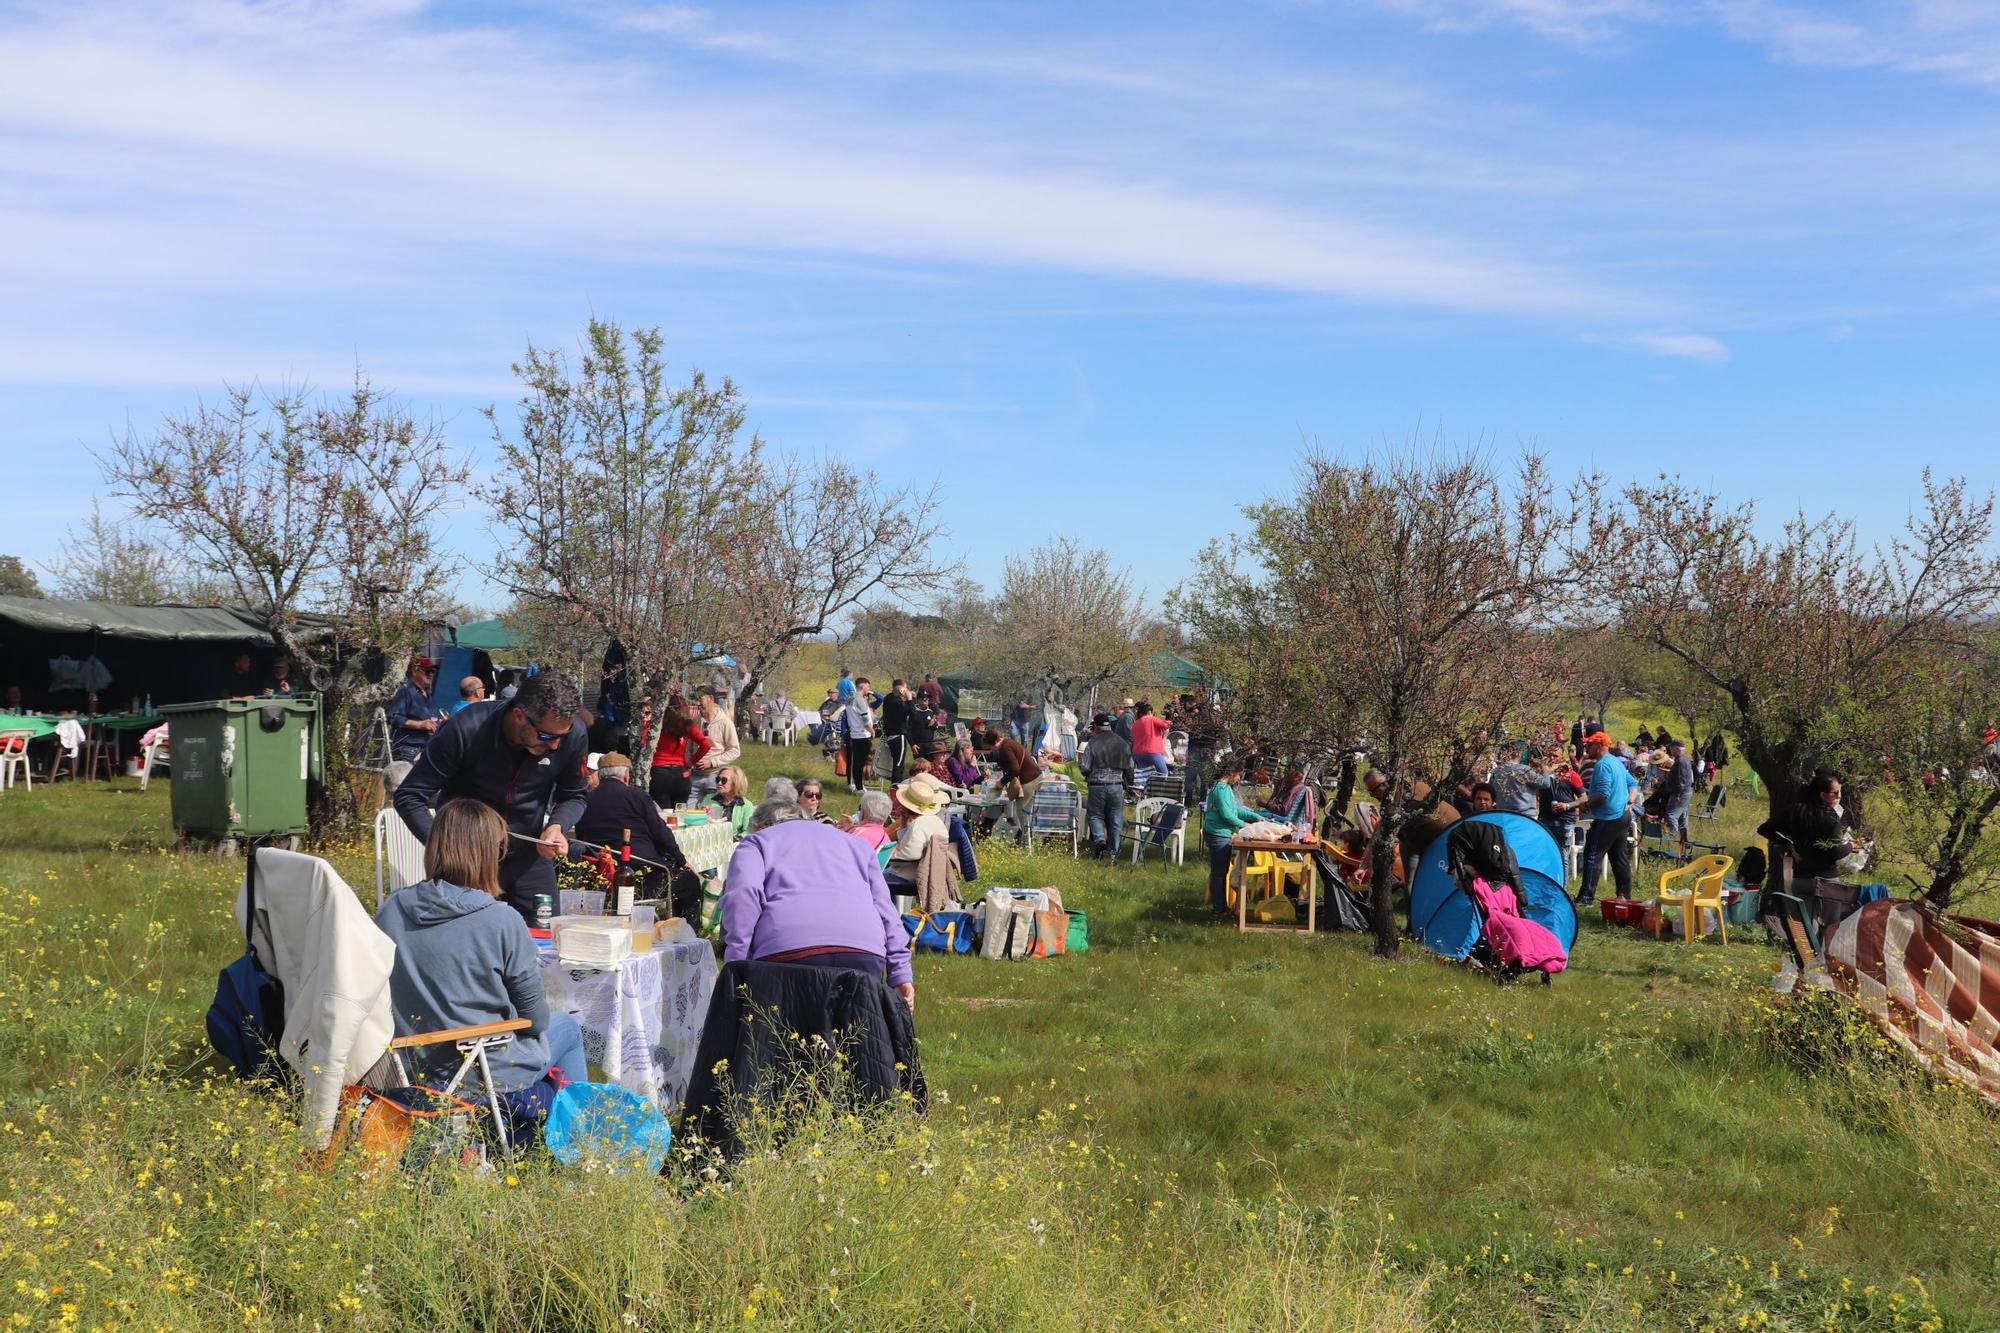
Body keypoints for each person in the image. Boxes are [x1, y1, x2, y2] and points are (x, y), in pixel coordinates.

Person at [375, 799, 587, 1090]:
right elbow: (535, 1020)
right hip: (480, 1068)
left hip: (410, 1064)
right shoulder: (501, 920)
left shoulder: (392, 907)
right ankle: (583, 1130)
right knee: (568, 1027)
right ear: (489, 854)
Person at [393, 672, 591, 925]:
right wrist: (447, 849)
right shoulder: (467, 728)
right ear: (519, 715)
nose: (555, 746)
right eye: (546, 736)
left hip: (528, 855)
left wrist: (557, 826)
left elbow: (575, 796)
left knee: (548, 941)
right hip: (467, 861)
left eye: (562, 736)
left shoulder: (571, 736)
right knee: (468, 944)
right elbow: (409, 796)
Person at [720, 799, 914, 1010]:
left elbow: (743, 897)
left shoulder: (756, 842)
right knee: (856, 1037)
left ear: (759, 826)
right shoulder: (857, 845)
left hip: (786, 951)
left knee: (786, 1038)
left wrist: (736, 966)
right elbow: (886, 910)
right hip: (864, 950)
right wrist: (900, 973)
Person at [574, 752, 686, 888]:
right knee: (690, 883)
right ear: (626, 775)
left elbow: (580, 835)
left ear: (599, 775)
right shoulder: (638, 796)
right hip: (642, 867)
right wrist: (682, 861)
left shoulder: (585, 800)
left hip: (601, 870)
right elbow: (660, 832)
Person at [1577, 730, 1636, 906]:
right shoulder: (1616, 762)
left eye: (1590, 745)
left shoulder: (1603, 765)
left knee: (1592, 855)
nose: (1587, 748)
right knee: (1619, 858)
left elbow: (1603, 794)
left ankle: (1585, 897)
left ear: (1601, 746)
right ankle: (1624, 895)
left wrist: (1587, 804)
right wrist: (1631, 800)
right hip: (1622, 816)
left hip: (1607, 818)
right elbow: (1633, 783)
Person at [1202, 758, 1257, 919]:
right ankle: (1219, 910)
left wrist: (1255, 817)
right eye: (1239, 775)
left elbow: (1235, 809)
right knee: (1219, 873)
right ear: (1232, 774)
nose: (1239, 779)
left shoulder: (1225, 789)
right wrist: (1243, 824)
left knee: (1222, 871)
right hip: (1217, 833)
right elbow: (1227, 815)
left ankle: (1221, 907)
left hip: (1221, 832)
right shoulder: (1221, 789)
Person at [1080, 712, 1135, 858]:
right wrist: (1129, 785)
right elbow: (1130, 767)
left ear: (1096, 727)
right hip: (1117, 786)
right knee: (1116, 818)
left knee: (1095, 815)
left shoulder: (1093, 743)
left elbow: (1085, 767)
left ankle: (1099, 840)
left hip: (1097, 785)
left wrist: (1087, 773)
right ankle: (1113, 852)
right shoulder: (1122, 743)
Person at [977, 726, 1043, 845]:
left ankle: (1027, 841)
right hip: (1032, 777)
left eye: (990, 747)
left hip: (1029, 779)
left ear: (995, 742)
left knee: (1022, 812)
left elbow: (1015, 770)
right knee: (1023, 812)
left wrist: (1002, 782)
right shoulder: (1009, 743)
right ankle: (1027, 838)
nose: (991, 750)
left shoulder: (1005, 748)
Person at [883, 772, 951, 888]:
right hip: (930, 873)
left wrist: (888, 856)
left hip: (909, 875)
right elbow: (908, 839)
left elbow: (911, 854)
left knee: (871, 879)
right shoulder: (935, 820)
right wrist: (904, 822)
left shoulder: (918, 824)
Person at [647, 695, 711, 808]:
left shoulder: (657, 724)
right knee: (680, 813)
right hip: (680, 773)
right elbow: (706, 744)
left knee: (664, 813)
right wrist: (691, 762)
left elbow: (643, 741)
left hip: (659, 772)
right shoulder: (688, 725)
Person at [386, 656, 445, 763]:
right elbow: (394, 717)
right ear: (414, 671)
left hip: (424, 748)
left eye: (433, 671)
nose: (431, 675)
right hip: (408, 748)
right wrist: (420, 725)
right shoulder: (406, 691)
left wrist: (439, 723)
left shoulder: (428, 694)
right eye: (427, 671)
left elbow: (428, 719)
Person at [691, 688, 740, 802]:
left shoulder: (725, 722)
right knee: (688, 815)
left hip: (715, 777)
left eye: (700, 699)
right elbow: (689, 746)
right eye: (696, 700)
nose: (697, 703)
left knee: (714, 814)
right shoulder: (695, 721)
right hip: (695, 776)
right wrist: (689, 763)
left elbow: (735, 750)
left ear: (711, 699)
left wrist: (712, 762)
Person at [840, 679, 877, 794]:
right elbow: (865, 719)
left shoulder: (849, 699)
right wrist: (872, 730)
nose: (869, 689)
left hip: (854, 734)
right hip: (862, 734)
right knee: (859, 763)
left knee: (856, 762)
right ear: (863, 686)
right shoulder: (859, 700)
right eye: (868, 686)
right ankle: (859, 788)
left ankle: (855, 785)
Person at [879, 679, 916, 783]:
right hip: (898, 735)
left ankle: (895, 787)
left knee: (897, 764)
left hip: (892, 734)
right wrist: (909, 699)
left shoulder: (889, 699)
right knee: (899, 765)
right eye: (905, 688)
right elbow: (912, 713)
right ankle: (896, 788)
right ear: (900, 688)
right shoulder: (895, 700)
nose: (907, 690)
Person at [1262, 763, 1317, 829]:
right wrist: (1276, 791)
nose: (1285, 775)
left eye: (1287, 773)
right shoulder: (1290, 786)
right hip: (1276, 815)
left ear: (1295, 775)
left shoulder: (1295, 789)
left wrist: (1266, 804)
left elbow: (1284, 811)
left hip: (1282, 820)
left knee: (1252, 813)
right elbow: (1276, 803)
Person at [706, 765, 753, 838]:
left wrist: (735, 841)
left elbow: (749, 831)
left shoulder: (746, 805)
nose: (719, 783)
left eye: (724, 780)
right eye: (717, 779)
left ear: (735, 783)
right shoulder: (708, 799)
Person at [1130, 701, 1170, 779]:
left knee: (1145, 777)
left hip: (1138, 754)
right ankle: (1157, 790)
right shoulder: (1151, 719)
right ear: (1149, 712)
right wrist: (1169, 719)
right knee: (1163, 774)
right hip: (1153, 752)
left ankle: (1146, 790)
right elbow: (1166, 725)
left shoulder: (1135, 723)